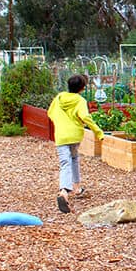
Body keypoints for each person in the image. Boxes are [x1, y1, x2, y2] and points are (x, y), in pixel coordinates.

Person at [47, 74, 104, 213]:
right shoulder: (80, 100)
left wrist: (61, 122)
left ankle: (64, 191)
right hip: (74, 135)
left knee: (65, 163)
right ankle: (74, 189)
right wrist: (98, 132)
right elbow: (85, 117)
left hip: (61, 135)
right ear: (82, 88)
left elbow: (50, 113)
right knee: (74, 159)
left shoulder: (59, 98)